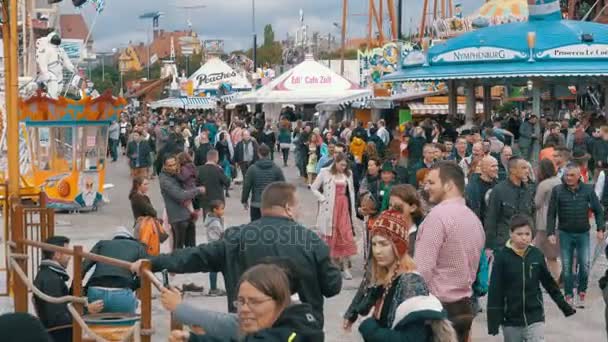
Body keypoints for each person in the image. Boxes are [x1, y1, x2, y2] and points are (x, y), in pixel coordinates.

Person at [132, 182, 342, 325]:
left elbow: (194, 256)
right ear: (288, 207)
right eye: (298, 207)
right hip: (301, 330)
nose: (300, 212)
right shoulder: (311, 240)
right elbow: (332, 286)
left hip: (248, 328)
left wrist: (152, 262)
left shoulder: (236, 238)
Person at [414, 161, 485, 342]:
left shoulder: (437, 218)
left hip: (437, 310)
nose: (426, 187)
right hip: (464, 307)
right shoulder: (473, 219)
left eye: (431, 182)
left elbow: (422, 270)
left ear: (449, 185)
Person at [167, 264, 324, 342]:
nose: (244, 309)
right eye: (241, 301)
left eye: (255, 302)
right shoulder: (280, 325)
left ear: (280, 302)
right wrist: (192, 339)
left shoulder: (293, 334)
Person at [487, 215, 576, 341]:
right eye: (519, 234)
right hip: (511, 320)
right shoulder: (502, 257)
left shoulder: (536, 255)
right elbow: (495, 291)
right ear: (511, 234)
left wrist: (564, 306)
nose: (524, 237)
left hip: (535, 317)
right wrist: (493, 322)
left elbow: (549, 284)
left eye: (527, 234)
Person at [547, 163, 605, 308]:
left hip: (583, 233)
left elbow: (598, 210)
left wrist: (600, 229)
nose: (568, 178)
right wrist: (550, 232)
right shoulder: (558, 190)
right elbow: (551, 213)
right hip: (565, 233)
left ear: (580, 176)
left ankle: (581, 292)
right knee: (567, 266)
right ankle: (568, 295)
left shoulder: (587, 190)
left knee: (585, 266)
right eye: (566, 175)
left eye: (572, 175)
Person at [33, 236, 103, 342]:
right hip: (61, 335)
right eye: (67, 253)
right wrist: (87, 310)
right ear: (57, 254)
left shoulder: (46, 274)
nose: (70, 257)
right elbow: (58, 318)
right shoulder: (51, 280)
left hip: (57, 332)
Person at [311, 152, 358, 279]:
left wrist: (352, 208)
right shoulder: (325, 172)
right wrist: (322, 199)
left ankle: (346, 267)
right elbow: (314, 187)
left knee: (344, 235)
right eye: (341, 165)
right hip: (329, 207)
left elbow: (352, 191)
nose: (343, 167)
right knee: (330, 236)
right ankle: (332, 266)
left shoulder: (348, 174)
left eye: (345, 165)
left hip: (343, 206)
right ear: (335, 162)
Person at [82, 227, 148, 314]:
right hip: (123, 295)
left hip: (96, 294)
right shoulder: (138, 246)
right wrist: (131, 287)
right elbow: (145, 273)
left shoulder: (102, 244)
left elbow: (82, 268)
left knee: (94, 325)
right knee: (127, 324)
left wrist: (74, 293)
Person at [485, 156, 534, 254]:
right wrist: (489, 245)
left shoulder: (528, 190)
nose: (527, 171)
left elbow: (531, 215)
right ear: (513, 170)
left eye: (527, 168)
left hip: (524, 246)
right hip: (503, 244)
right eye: (523, 168)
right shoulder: (498, 190)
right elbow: (491, 219)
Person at [159, 156, 205, 252]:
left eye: (174, 164)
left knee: (192, 248)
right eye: (170, 165)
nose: (173, 167)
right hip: (178, 218)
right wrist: (197, 190)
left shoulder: (177, 174)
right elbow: (179, 195)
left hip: (187, 215)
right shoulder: (165, 179)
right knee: (178, 249)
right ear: (164, 166)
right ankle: (177, 266)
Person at [534, 159, 563, 282]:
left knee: (545, 254)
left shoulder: (544, 184)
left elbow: (537, 203)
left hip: (544, 223)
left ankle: (557, 278)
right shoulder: (559, 181)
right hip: (559, 220)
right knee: (553, 254)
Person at [241, 144, 285, 222]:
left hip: (256, 203)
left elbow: (246, 186)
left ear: (258, 153)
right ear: (269, 154)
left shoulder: (252, 169)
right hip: (271, 203)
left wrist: (244, 200)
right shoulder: (276, 169)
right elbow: (283, 186)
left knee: (255, 226)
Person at [387, 184, 423, 256]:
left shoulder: (421, 237)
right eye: (390, 205)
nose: (392, 210)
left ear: (413, 208)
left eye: (398, 206)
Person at [203, 200, 227, 297]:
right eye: (221, 209)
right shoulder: (215, 222)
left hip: (213, 245)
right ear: (215, 210)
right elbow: (222, 234)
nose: (223, 211)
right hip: (216, 246)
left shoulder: (212, 219)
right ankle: (213, 289)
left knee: (214, 268)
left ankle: (213, 288)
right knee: (215, 268)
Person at [197, 149, 231, 216]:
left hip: (205, 200)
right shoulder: (218, 169)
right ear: (216, 158)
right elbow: (227, 182)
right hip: (218, 202)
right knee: (217, 222)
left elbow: (196, 184)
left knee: (207, 221)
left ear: (207, 158)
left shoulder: (199, 169)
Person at [465, 156, 499, 220]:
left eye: (497, 166)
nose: (496, 168)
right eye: (493, 166)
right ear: (484, 169)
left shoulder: (498, 185)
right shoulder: (473, 188)